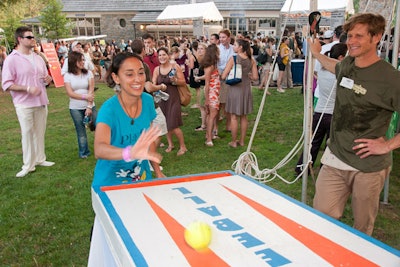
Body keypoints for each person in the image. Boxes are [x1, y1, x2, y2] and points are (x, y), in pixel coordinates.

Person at [307, 13, 400, 235]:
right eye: (349, 36)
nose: (351, 41)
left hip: (368, 166)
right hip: (335, 156)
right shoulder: (348, 63)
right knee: (321, 218)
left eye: (359, 36)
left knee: (361, 230)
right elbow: (334, 67)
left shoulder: (391, 79)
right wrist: (316, 54)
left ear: (376, 37)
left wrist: (387, 146)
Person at [93, 52, 162, 187]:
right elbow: (99, 149)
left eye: (141, 73)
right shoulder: (108, 110)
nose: (138, 79)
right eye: (130, 74)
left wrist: (158, 172)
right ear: (116, 78)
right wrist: (129, 152)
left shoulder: (147, 101)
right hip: (110, 184)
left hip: (142, 180)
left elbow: (149, 140)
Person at [1, 26, 54, 177]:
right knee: (27, 133)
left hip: (41, 100)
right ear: (20, 39)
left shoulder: (38, 58)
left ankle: (40, 158)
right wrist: (28, 89)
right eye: (29, 37)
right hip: (24, 103)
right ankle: (28, 165)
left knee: (40, 131)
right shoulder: (11, 59)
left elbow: (45, 78)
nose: (33, 39)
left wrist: (48, 80)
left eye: (33, 37)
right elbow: (7, 84)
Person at [295, 43, 348, 175]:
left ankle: (301, 168)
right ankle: (325, 171)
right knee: (330, 147)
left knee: (313, 143)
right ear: (341, 57)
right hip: (332, 114)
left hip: (319, 112)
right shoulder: (339, 75)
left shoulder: (323, 71)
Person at [131, 39, 167, 178]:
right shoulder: (141, 65)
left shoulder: (128, 64)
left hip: (134, 105)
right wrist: (160, 87)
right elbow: (148, 87)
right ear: (143, 49)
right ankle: (148, 160)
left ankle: (146, 159)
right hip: (146, 104)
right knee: (157, 130)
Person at [221, 39, 258, 148]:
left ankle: (233, 141)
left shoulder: (234, 58)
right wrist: (248, 75)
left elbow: (223, 76)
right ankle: (242, 141)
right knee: (243, 116)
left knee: (233, 116)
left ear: (240, 47)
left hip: (235, 89)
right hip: (246, 88)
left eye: (235, 45)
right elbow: (255, 77)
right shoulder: (252, 60)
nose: (233, 46)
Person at [152, 47, 188, 156]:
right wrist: (157, 87)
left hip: (173, 99)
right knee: (165, 123)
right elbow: (153, 83)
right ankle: (170, 144)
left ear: (168, 55)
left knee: (173, 124)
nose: (162, 57)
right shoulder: (157, 70)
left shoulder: (174, 67)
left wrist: (175, 81)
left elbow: (183, 82)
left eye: (164, 55)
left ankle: (183, 146)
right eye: (160, 55)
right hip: (162, 100)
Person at [63, 51, 97, 159]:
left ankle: (101, 148)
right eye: (80, 60)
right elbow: (70, 93)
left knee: (98, 126)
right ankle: (84, 152)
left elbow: (91, 90)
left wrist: (89, 106)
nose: (83, 62)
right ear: (74, 61)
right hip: (75, 107)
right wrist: (84, 97)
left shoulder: (88, 74)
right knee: (80, 131)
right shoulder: (68, 76)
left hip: (90, 105)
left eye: (83, 60)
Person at [201, 44, 220, 147]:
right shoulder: (210, 66)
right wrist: (207, 99)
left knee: (211, 115)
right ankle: (208, 138)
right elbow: (207, 83)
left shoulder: (213, 64)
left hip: (214, 92)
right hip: (212, 93)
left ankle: (209, 135)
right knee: (212, 115)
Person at [218, 29, 235, 132]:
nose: (221, 39)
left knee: (229, 103)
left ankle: (228, 124)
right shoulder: (217, 49)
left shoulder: (233, 48)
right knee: (220, 103)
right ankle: (215, 125)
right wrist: (220, 73)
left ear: (229, 38)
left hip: (231, 78)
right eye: (220, 37)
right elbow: (215, 63)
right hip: (220, 78)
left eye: (223, 37)